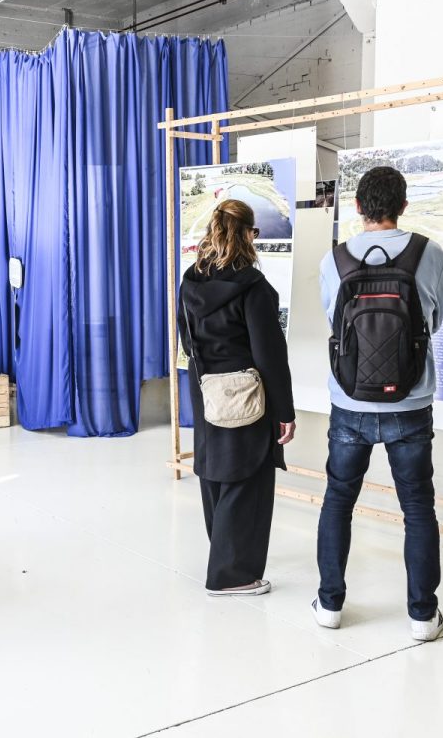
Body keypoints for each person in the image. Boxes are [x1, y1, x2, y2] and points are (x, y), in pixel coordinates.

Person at [314, 166, 443, 641]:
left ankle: (330, 605)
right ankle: (422, 616)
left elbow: (335, 323)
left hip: (349, 401)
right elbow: (433, 320)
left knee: (338, 500)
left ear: (357, 207)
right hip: (410, 402)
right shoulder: (429, 253)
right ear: (403, 206)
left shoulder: (334, 259)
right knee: (418, 507)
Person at [177, 199, 296, 597]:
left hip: (205, 389)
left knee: (214, 471)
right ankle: (232, 576)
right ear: (246, 234)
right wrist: (285, 411)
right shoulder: (254, 288)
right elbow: (269, 356)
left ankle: (224, 557)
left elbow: (187, 341)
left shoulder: (190, 281)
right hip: (246, 393)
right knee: (248, 477)